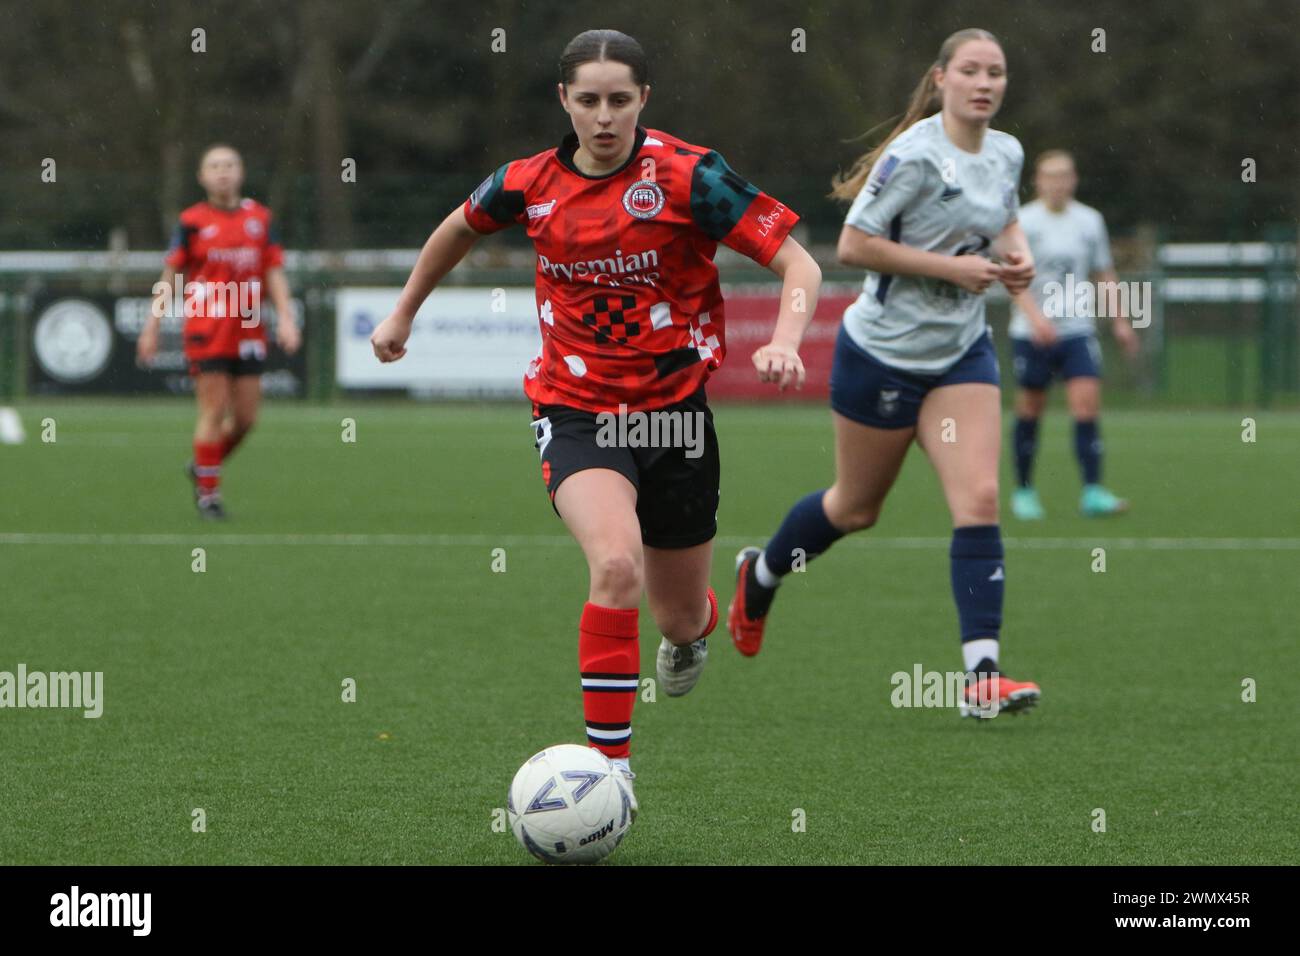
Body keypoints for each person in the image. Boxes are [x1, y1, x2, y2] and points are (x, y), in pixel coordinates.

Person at [368, 29, 821, 805]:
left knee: (677, 619)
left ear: (644, 99)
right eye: (588, 101)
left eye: (620, 100)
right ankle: (609, 776)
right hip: (573, 409)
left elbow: (799, 262)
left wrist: (785, 339)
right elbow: (455, 230)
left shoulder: (690, 177)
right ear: (564, 102)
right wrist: (403, 313)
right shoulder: (528, 182)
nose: (604, 117)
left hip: (673, 418)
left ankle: (711, 614)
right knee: (615, 566)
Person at [727, 27, 1040, 718]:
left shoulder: (1008, 152)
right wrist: (952, 269)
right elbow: (853, 245)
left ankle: (982, 676)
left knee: (980, 498)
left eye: (997, 72)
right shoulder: (914, 155)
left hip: (960, 353)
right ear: (940, 79)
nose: (985, 83)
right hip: (882, 354)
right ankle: (763, 573)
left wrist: (1016, 260)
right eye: (971, 71)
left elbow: (1007, 222)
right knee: (855, 508)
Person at [137, 144, 301, 519]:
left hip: (247, 327)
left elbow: (273, 271)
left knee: (246, 419)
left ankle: (202, 467)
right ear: (202, 176)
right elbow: (171, 276)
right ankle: (209, 495)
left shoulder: (260, 217)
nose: (223, 172)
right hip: (206, 327)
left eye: (229, 165)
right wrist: (152, 325)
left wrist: (287, 318)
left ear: (241, 172)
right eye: (214, 166)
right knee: (214, 410)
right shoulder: (192, 221)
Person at [1008, 149, 1138, 519]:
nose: (1057, 183)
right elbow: (1013, 279)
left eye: (1064, 176)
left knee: (1086, 406)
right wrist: (1036, 319)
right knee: (1031, 409)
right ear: (1037, 181)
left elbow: (1104, 273)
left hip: (1078, 329)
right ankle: (1024, 491)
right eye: (1050, 176)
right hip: (1031, 333)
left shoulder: (1089, 221)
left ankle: (1093, 492)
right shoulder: (1023, 221)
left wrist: (1120, 320)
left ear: (1074, 180)